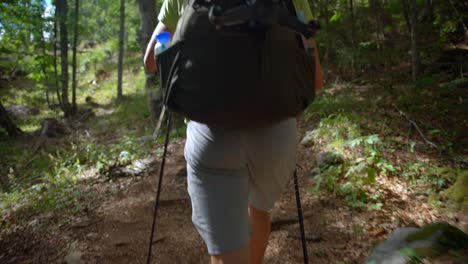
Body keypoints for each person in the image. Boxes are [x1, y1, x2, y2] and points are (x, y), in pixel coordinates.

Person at [143, 1, 320, 263]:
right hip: (276, 136)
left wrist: (170, 44)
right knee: (259, 211)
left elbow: (151, 60)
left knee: (228, 251)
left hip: (212, 137)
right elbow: (315, 79)